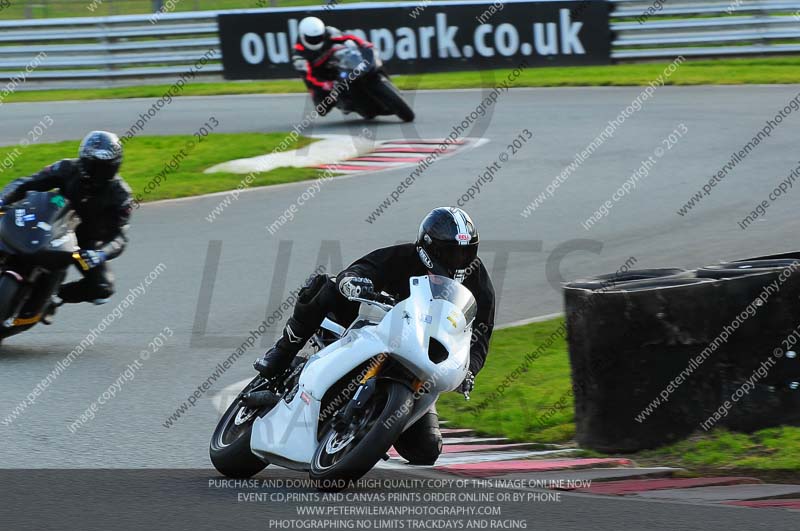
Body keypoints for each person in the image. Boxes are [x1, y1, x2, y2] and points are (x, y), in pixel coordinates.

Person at [254, 207, 495, 465]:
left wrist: (470, 371)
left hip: (419, 364)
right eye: (450, 251)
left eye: (465, 251)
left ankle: (374, 425)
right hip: (374, 331)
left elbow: (479, 337)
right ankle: (282, 353)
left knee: (427, 451)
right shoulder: (403, 256)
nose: (458, 259)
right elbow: (362, 268)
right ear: (429, 247)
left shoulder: (478, 285)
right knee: (326, 286)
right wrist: (354, 280)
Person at [0, 131, 132, 321]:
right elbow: (27, 182)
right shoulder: (66, 168)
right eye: (91, 164)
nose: (95, 171)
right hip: (48, 222)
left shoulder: (121, 196)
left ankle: (54, 297)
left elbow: (120, 237)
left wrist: (100, 253)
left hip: (83, 244)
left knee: (102, 287)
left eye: (101, 167)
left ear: (113, 167)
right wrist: (4, 198)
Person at [291, 16, 374, 116]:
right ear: (303, 36)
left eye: (318, 36)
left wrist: (363, 44)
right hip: (318, 74)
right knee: (322, 109)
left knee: (361, 61)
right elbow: (309, 76)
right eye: (312, 38)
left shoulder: (330, 31)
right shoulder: (299, 53)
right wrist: (324, 84)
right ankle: (343, 103)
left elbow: (349, 37)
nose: (316, 40)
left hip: (336, 61)